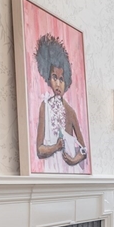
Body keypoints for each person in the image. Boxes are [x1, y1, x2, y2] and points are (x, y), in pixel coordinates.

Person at [34, 34, 87, 168]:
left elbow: (83, 149)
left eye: (61, 79)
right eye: (54, 77)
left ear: (66, 81)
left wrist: (74, 160)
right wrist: (55, 147)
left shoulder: (70, 111)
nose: (58, 83)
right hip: (51, 168)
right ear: (48, 78)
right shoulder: (44, 107)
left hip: (69, 171)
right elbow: (39, 149)